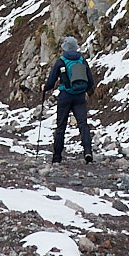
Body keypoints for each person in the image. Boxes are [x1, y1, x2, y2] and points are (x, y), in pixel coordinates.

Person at [41, 36, 96, 164]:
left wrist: (44, 87)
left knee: (61, 127)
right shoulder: (82, 61)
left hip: (65, 97)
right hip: (80, 97)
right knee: (83, 125)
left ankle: (57, 157)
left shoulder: (61, 61)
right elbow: (90, 82)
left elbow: (51, 82)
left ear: (64, 48)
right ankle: (88, 152)